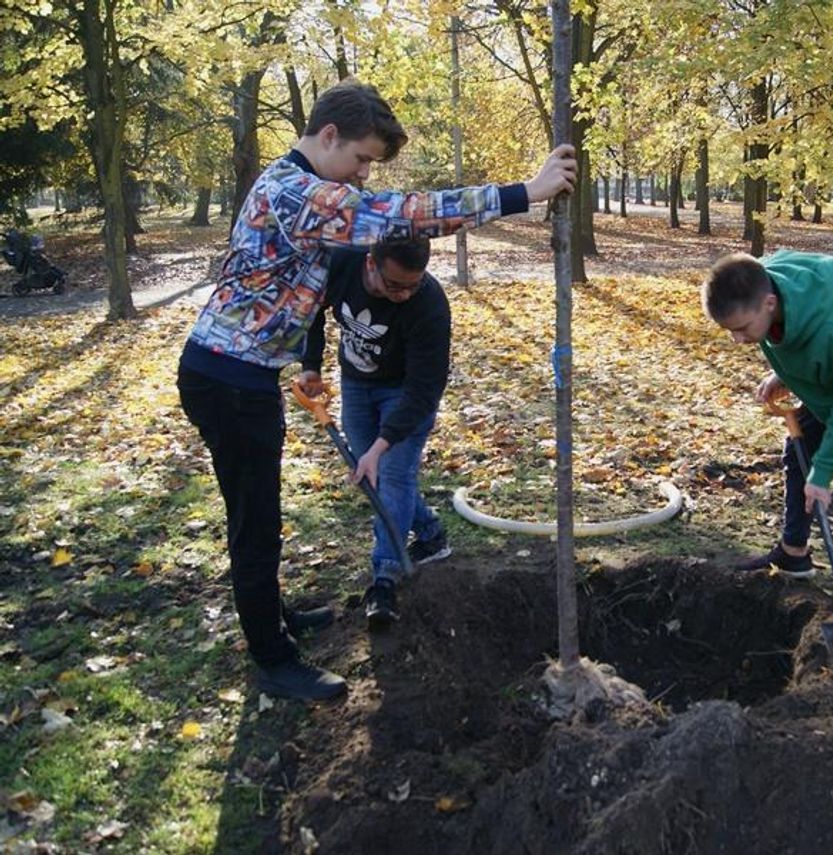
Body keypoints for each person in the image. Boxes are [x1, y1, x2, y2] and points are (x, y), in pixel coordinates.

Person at [177, 78, 577, 701]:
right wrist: (524, 193)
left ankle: (275, 619)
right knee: (255, 520)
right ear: (329, 135)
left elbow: (401, 234)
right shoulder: (296, 192)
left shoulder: (302, 192)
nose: (363, 174)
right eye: (362, 158)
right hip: (228, 382)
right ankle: (273, 657)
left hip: (242, 376)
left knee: (261, 512)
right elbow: (401, 214)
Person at [701, 250, 833, 635]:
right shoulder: (760, 282)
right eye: (729, 331)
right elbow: (792, 337)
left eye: (744, 329)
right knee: (797, 448)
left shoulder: (829, 329)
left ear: (769, 304)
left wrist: (822, 476)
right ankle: (794, 552)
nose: (737, 340)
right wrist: (781, 372)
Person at [298, 238, 450, 632]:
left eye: (412, 285)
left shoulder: (429, 303)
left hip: (404, 395)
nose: (403, 295)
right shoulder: (342, 264)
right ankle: (431, 533)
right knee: (381, 479)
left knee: (392, 474)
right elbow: (312, 307)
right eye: (395, 285)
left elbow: (423, 390)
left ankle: (384, 579)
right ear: (371, 263)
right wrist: (310, 365)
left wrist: (380, 448)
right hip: (356, 382)